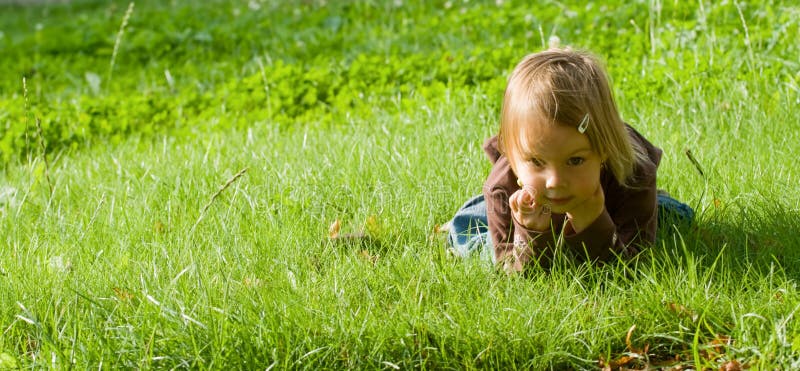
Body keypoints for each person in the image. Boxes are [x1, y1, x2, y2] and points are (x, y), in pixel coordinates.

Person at [445, 48, 693, 272]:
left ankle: (659, 202)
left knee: (672, 218)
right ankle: (478, 208)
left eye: (575, 160)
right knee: (471, 233)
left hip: (614, 199)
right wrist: (532, 234)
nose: (554, 181)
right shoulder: (502, 186)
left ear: (604, 148)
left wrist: (594, 222)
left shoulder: (632, 174)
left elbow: (632, 270)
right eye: (537, 161)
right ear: (511, 152)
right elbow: (511, 274)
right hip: (518, 204)